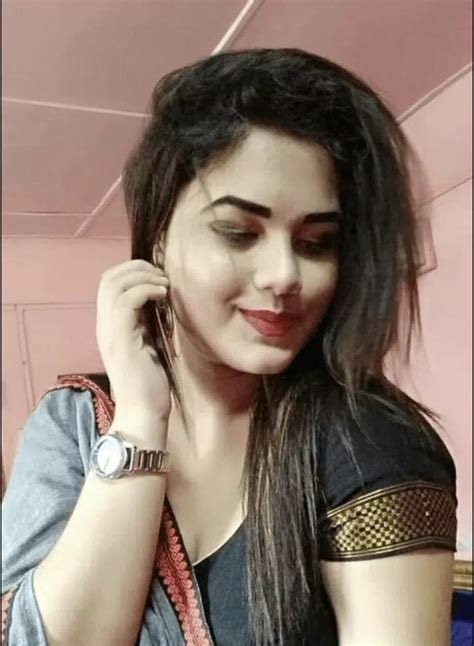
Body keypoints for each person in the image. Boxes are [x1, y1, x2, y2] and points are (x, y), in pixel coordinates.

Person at [2, 48, 457, 646]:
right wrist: (138, 423)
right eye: (239, 233)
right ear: (158, 239)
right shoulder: (71, 424)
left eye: (317, 242)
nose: (284, 274)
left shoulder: (369, 439)